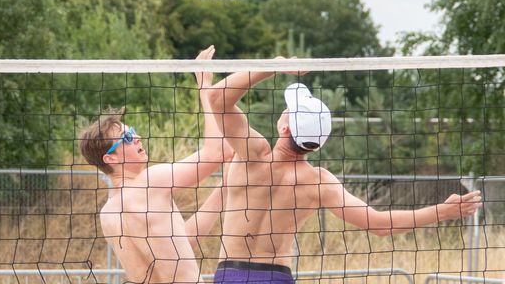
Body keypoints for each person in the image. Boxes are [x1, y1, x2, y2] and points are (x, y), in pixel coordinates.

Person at [204, 76, 483, 284]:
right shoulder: (318, 182)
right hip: (276, 277)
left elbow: (218, 97)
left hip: (231, 274)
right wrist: (443, 211)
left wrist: (274, 66)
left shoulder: (254, 154)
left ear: (284, 126)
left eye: (286, 111)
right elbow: (380, 225)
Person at [78, 45, 237, 284]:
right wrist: (205, 86)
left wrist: (223, 188)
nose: (137, 137)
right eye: (127, 138)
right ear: (110, 158)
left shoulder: (108, 213)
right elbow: (218, 152)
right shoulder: (150, 183)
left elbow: (182, 240)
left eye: (132, 131)